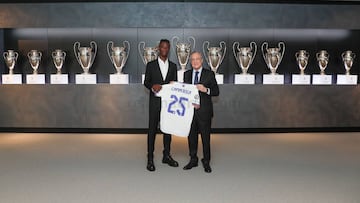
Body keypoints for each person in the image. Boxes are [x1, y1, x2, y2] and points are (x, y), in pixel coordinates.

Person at [143, 39, 179, 172]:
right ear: (159, 48)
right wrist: (153, 86)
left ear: (168, 49)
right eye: (162, 47)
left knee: (167, 129)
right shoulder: (150, 65)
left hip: (168, 103)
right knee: (152, 129)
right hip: (155, 103)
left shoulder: (174, 66)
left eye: (167, 47)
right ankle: (150, 158)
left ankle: (166, 155)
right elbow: (146, 82)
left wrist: (173, 84)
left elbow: (174, 84)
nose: (164, 49)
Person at [183, 51, 219, 173]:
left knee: (205, 138)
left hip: (204, 112)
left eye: (197, 59)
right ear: (190, 62)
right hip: (190, 112)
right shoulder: (186, 74)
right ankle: (193, 159)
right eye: (192, 59)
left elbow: (216, 91)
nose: (195, 61)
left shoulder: (209, 74)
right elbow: (184, 90)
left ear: (202, 60)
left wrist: (206, 89)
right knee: (191, 137)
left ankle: (206, 161)